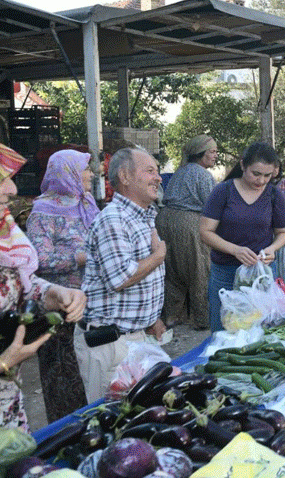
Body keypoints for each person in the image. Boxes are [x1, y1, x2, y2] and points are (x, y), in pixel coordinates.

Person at [0, 136, 86, 430]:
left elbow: (21, 283)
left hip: (7, 410)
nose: (12, 190)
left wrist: (52, 292)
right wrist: (0, 363)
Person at [77, 147, 168, 402]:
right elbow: (120, 279)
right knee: (111, 419)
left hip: (134, 338)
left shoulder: (144, 215)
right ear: (125, 177)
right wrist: (158, 257)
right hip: (109, 344)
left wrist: (152, 318)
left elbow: (144, 280)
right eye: (150, 171)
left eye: (157, 171)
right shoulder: (114, 219)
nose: (158, 178)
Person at [26, 149, 98, 422]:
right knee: (63, 380)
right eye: (84, 169)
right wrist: (81, 257)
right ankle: (66, 435)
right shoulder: (43, 212)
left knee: (89, 375)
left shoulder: (86, 202)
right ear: (67, 174)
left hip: (89, 304)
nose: (90, 174)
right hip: (60, 310)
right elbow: (39, 261)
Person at [201, 143, 285, 332]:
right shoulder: (223, 192)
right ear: (243, 165)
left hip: (262, 275)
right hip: (225, 273)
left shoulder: (274, 195)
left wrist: (272, 249)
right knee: (224, 329)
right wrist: (235, 250)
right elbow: (205, 232)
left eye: (267, 175)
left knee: (262, 328)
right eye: (256, 174)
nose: (261, 180)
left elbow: (283, 233)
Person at [155, 135, 218, 330]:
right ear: (200, 154)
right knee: (199, 269)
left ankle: (173, 316)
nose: (216, 156)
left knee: (172, 270)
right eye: (213, 152)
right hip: (188, 223)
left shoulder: (180, 172)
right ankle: (202, 319)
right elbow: (211, 205)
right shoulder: (203, 175)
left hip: (165, 220)